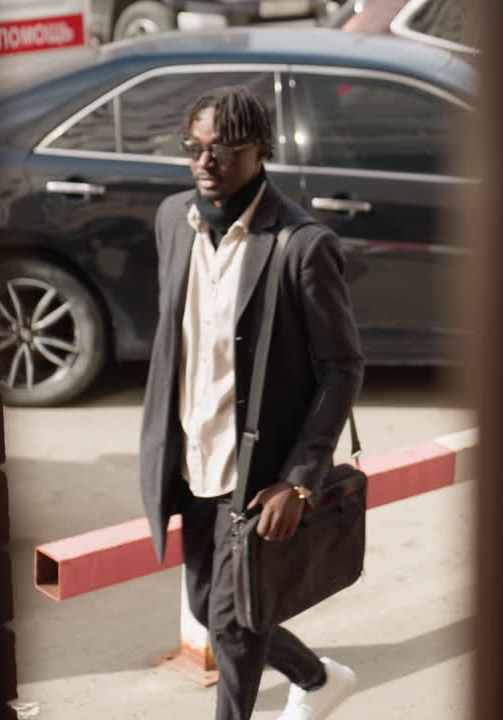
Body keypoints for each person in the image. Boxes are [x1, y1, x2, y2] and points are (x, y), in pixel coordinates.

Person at [138, 85, 365, 720]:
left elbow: (343, 368)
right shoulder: (171, 221)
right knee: (215, 609)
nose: (206, 164)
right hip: (189, 462)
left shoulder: (301, 244)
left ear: (263, 152)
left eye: (225, 152)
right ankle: (319, 681)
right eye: (195, 149)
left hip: (256, 476)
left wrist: (298, 480)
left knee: (235, 629)